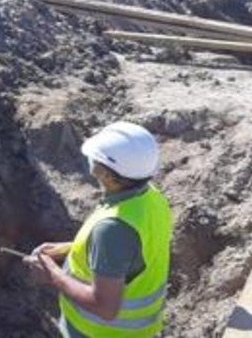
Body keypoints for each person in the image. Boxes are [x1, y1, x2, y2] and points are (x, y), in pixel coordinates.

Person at [24, 122, 173, 337]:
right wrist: (73, 248)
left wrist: (52, 275)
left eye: (95, 158)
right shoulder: (151, 197)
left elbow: (105, 307)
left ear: (105, 173)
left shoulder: (112, 229)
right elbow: (133, 251)